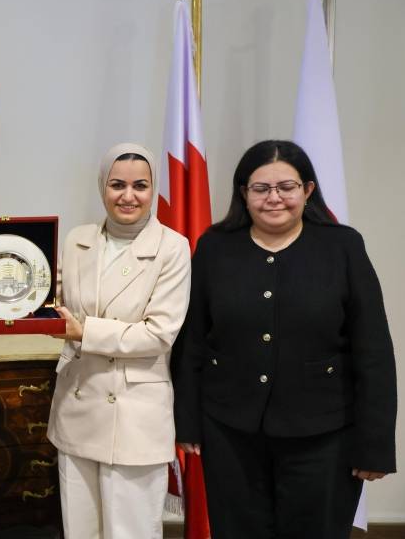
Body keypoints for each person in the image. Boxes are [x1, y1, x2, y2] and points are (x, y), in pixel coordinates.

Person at [171, 140, 397, 539]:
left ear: (307, 190)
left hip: (325, 434)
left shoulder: (342, 246)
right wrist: (186, 422)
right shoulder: (215, 247)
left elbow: (373, 350)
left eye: (286, 187)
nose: (274, 198)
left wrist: (375, 444)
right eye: (261, 188)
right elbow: (192, 343)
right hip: (229, 431)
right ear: (244, 193)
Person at [47, 143, 192, 539]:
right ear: (102, 187)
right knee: (81, 531)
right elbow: (47, 298)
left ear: (152, 189)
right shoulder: (77, 240)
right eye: (117, 185)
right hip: (78, 406)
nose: (128, 196)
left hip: (134, 415)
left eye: (140, 186)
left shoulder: (173, 247)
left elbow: (158, 333)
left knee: (131, 531)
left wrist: (85, 332)